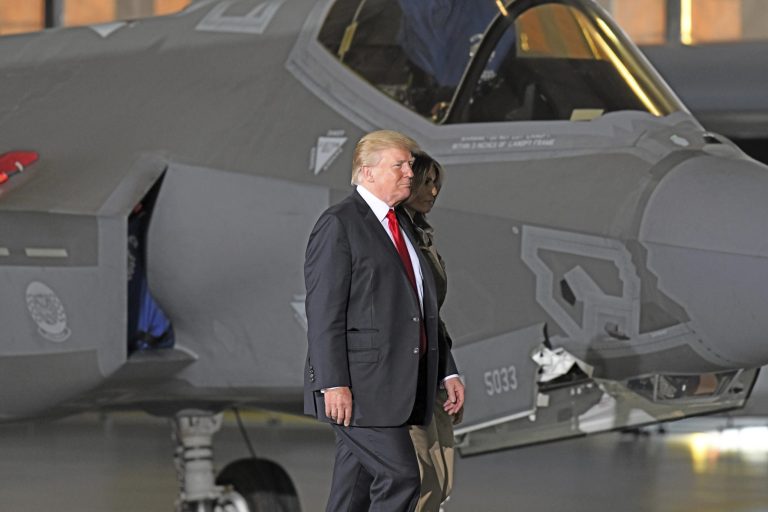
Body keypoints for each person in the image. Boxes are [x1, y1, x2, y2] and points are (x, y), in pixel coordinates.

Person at [303, 130, 465, 511]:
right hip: (359, 387)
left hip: (397, 383)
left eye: (409, 164)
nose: (410, 172)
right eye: (400, 165)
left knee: (353, 491)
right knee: (402, 476)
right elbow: (324, 311)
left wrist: (447, 370)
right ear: (367, 171)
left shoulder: (404, 225)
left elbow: (423, 308)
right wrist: (333, 383)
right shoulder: (339, 224)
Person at [403, 153, 463, 511]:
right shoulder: (391, 236)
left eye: (436, 182)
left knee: (441, 476)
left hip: (431, 371)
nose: (434, 190)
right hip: (405, 377)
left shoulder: (421, 234)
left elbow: (431, 314)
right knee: (422, 478)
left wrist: (449, 369)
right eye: (426, 182)